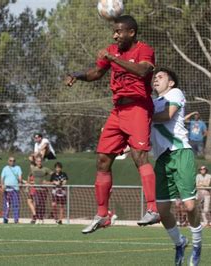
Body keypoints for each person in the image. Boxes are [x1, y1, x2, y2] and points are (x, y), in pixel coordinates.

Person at [65, 15, 159, 234]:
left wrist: (112, 58)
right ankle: (102, 215)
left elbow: (144, 71)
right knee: (102, 159)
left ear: (131, 32)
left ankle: (153, 209)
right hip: (117, 110)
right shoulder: (112, 51)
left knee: (139, 156)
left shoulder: (144, 50)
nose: (114, 35)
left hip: (138, 107)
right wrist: (77, 75)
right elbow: (96, 73)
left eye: (119, 31)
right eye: (114, 32)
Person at [151, 68, 202, 266]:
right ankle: (180, 242)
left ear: (171, 82)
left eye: (160, 77)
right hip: (162, 159)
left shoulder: (175, 93)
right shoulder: (150, 103)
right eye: (154, 77)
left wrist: (144, 115)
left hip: (181, 153)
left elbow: (167, 115)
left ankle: (197, 245)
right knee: (162, 211)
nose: (156, 79)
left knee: (189, 206)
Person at [29, 156, 53, 224]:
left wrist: (48, 182)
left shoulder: (45, 169)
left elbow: (53, 174)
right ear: (36, 162)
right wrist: (30, 182)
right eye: (38, 161)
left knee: (42, 204)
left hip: (43, 190)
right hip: (36, 189)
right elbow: (29, 176)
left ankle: (41, 218)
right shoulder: (33, 169)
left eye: (40, 161)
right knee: (37, 203)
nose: (39, 163)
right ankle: (37, 217)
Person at [0, 156, 22, 224]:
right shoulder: (5, 168)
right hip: (7, 189)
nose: (12, 162)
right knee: (6, 205)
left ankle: (16, 219)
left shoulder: (18, 168)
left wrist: (20, 182)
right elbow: (2, 178)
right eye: (10, 160)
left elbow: (20, 177)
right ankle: (5, 218)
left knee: (16, 204)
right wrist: (2, 185)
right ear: (8, 161)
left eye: (13, 160)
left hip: (14, 189)